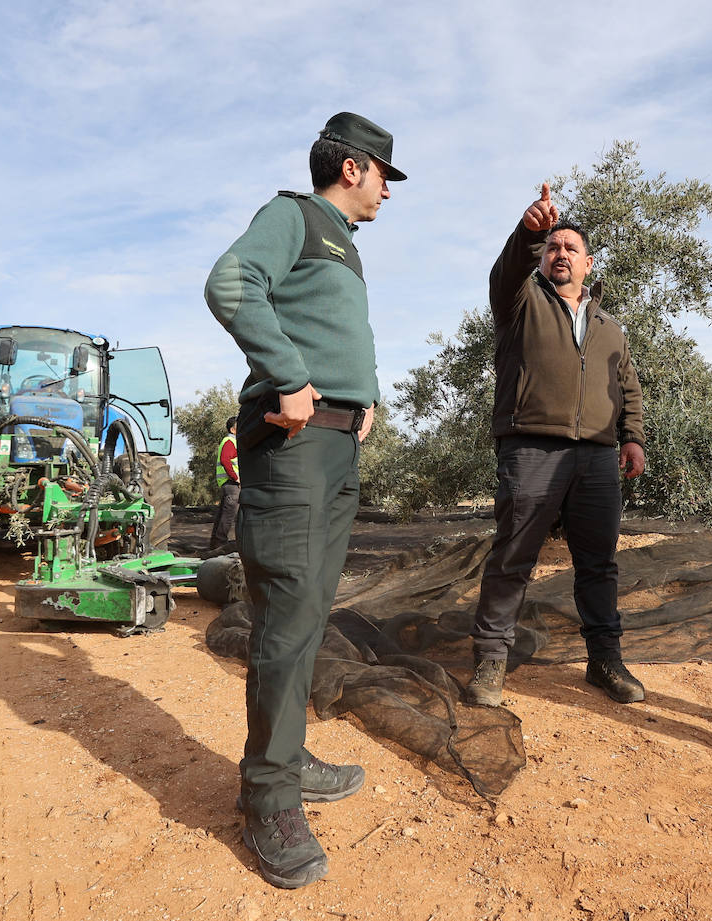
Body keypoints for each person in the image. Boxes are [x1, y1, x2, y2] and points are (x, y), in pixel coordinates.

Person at [203, 111, 405, 889]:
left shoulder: (343, 244)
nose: (388, 190)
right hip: (293, 446)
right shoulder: (293, 217)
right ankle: (268, 797)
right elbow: (229, 283)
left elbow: (331, 330)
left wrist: (363, 399)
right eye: (384, 175)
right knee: (287, 614)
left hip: (335, 447)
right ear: (353, 168)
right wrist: (288, 375)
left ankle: (286, 755)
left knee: (311, 612)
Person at [463, 183, 648, 709]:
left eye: (570, 248)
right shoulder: (520, 302)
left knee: (598, 564)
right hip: (531, 449)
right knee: (513, 557)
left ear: (588, 264)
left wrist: (632, 437)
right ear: (541, 258)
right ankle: (490, 660)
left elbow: (627, 386)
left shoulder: (610, 328)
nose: (560, 253)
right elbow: (505, 274)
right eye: (552, 247)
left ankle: (604, 660)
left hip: (597, 456)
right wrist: (529, 231)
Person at [208, 415, 240, 550]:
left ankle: (215, 543)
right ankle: (220, 543)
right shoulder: (230, 441)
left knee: (223, 513)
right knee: (229, 514)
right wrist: (236, 477)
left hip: (228, 483)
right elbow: (225, 460)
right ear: (233, 430)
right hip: (231, 483)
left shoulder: (231, 442)